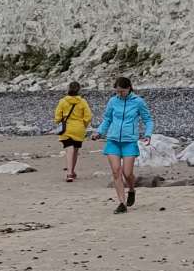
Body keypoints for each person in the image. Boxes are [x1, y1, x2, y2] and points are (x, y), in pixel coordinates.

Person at [95, 76, 154, 214]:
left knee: (127, 173)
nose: (119, 94)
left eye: (122, 91)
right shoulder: (113, 101)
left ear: (129, 88)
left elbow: (148, 120)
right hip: (113, 140)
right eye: (117, 91)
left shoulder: (138, 102)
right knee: (116, 171)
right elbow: (107, 119)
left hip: (129, 141)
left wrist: (148, 134)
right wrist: (99, 132)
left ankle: (132, 190)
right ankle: (122, 203)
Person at [53, 80, 92, 183]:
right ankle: (72, 171)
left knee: (69, 149)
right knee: (75, 150)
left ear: (68, 89)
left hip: (67, 128)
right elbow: (88, 116)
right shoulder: (82, 102)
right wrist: (83, 125)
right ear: (79, 90)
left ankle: (69, 172)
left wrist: (59, 121)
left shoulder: (62, 101)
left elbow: (57, 116)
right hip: (79, 128)